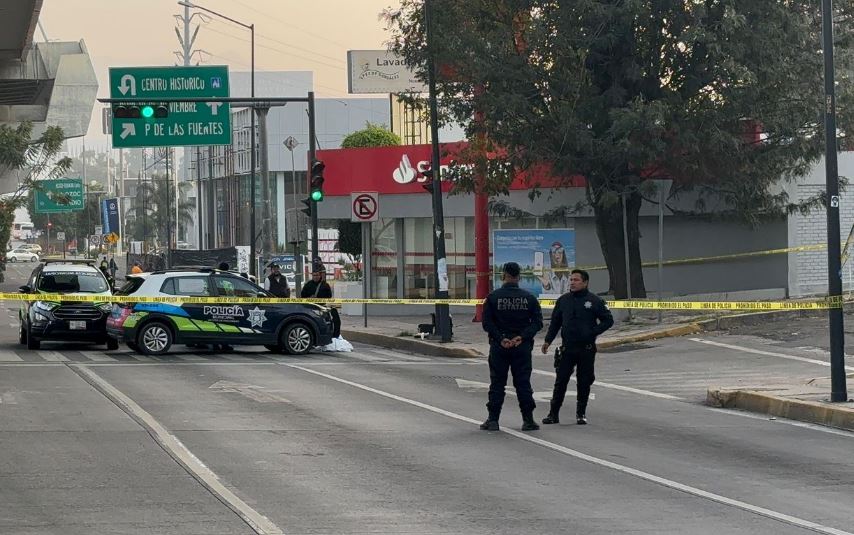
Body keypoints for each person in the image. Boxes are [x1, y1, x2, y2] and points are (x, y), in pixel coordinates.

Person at [541, 269, 614, 425]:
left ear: (585, 282)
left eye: (576, 280)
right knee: (561, 381)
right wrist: (548, 341)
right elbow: (555, 322)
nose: (572, 282)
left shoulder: (594, 300)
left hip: (586, 348)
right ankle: (553, 414)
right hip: (567, 348)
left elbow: (608, 320)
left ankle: (581, 413)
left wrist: (593, 332)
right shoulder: (563, 300)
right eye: (571, 280)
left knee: (584, 381)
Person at [480, 261, 543, 432]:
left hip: (499, 346)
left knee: (497, 383)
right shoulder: (529, 298)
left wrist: (500, 338)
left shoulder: (493, 297)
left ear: (503, 276)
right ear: (519, 277)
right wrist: (521, 337)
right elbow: (538, 323)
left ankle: (493, 420)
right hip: (521, 346)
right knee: (523, 383)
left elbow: (487, 323)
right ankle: (528, 420)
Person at [300, 260, 340, 338]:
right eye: (314, 275)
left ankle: (335, 336)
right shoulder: (308, 285)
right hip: (311, 307)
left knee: (335, 316)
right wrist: (309, 298)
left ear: (320, 276)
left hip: (323, 306)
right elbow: (302, 297)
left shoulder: (325, 285)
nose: (315, 277)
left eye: (317, 275)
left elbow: (329, 296)